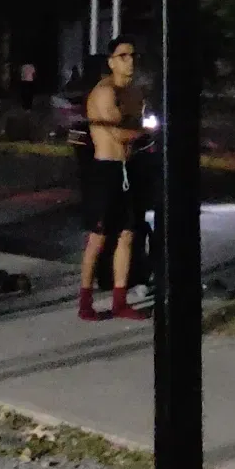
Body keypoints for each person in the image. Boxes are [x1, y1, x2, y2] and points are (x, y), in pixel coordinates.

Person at [77, 36, 149, 322]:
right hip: (105, 169)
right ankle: (85, 302)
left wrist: (142, 134)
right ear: (111, 61)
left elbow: (136, 128)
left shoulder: (135, 92)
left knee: (128, 234)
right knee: (98, 237)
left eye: (132, 56)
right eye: (123, 56)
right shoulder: (105, 93)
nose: (129, 61)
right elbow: (119, 134)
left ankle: (120, 300)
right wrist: (147, 133)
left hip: (128, 168)